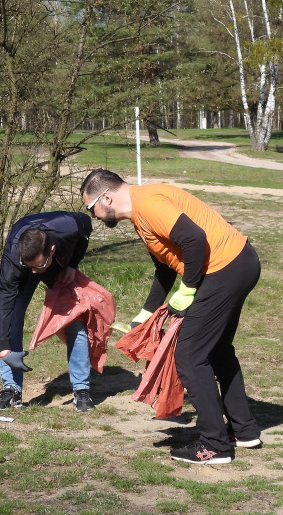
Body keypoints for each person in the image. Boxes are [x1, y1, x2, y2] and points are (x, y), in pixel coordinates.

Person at [81, 169, 262, 465]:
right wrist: (146, 314)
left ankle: (214, 445)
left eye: (92, 208)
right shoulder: (141, 214)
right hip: (237, 263)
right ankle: (244, 430)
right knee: (216, 350)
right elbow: (165, 268)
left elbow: (194, 239)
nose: (95, 216)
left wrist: (188, 288)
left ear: (106, 197)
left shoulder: (149, 204)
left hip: (225, 268)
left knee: (189, 356)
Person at [0, 211, 95, 412]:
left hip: (58, 269)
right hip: (22, 274)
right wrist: (4, 349)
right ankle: (11, 390)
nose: (35, 272)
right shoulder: (14, 262)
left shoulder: (69, 227)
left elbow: (86, 228)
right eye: (30, 266)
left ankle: (82, 391)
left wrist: (73, 264)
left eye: (38, 266)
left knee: (75, 319)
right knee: (12, 318)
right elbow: (2, 304)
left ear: (52, 250)